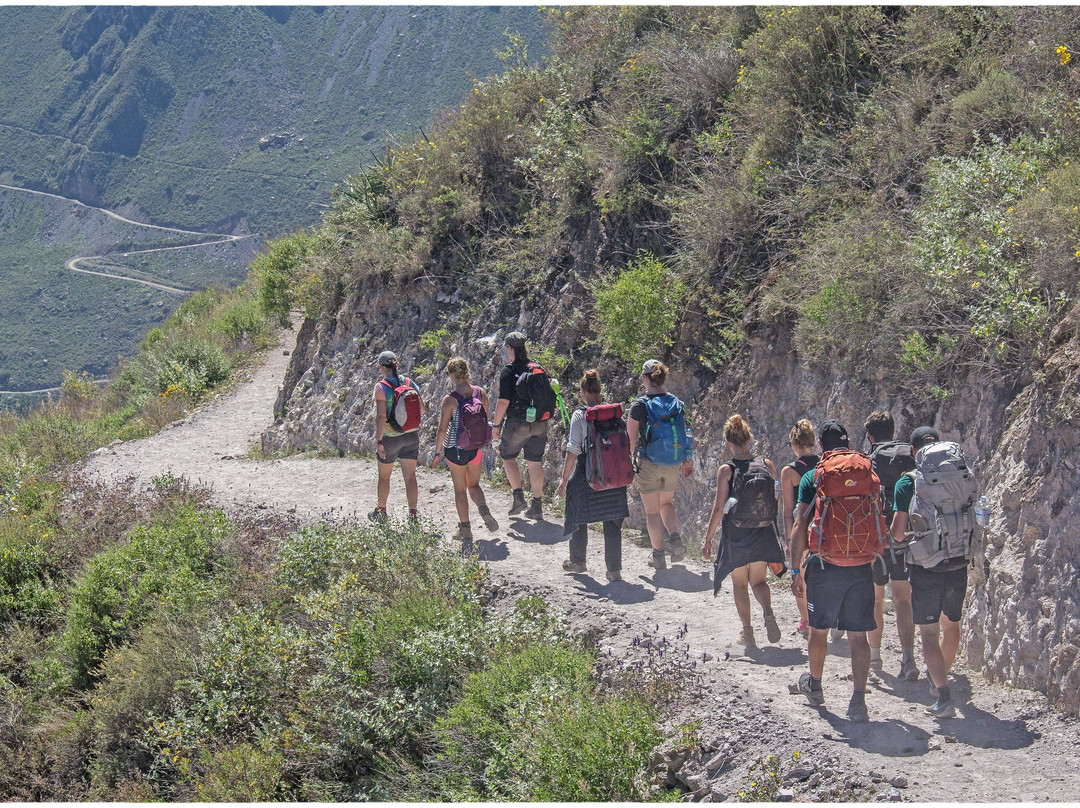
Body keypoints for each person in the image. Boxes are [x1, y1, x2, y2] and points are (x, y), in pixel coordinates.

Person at [790, 419, 885, 723]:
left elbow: (799, 526)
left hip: (825, 566)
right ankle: (858, 701)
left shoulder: (814, 477)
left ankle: (816, 686)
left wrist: (794, 570)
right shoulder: (867, 472)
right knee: (858, 636)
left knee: (819, 629)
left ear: (820, 445)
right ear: (848, 441)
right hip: (861, 566)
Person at [890, 426, 976, 719]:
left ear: (914, 452)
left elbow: (898, 534)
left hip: (926, 566)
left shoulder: (908, 482)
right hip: (960, 560)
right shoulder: (959, 476)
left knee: (928, 633)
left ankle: (943, 695)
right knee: (952, 625)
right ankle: (939, 678)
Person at [703, 415, 786, 646]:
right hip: (762, 531)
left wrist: (708, 539)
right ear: (749, 439)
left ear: (728, 443)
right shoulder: (767, 465)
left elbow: (719, 507)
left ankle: (748, 633)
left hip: (737, 534)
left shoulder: (726, 470)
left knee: (740, 583)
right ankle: (768, 612)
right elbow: (775, 500)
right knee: (758, 581)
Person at [556, 369, 630, 583]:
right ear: (599, 391)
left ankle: (578, 562)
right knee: (612, 521)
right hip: (614, 476)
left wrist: (563, 479)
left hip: (588, 475)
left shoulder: (581, 415)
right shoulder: (614, 414)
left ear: (582, 391)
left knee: (578, 515)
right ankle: (614, 571)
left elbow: (573, 450)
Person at [864, 410, 918, 680]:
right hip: (905, 535)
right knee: (903, 599)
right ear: (893, 429)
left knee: (875, 598)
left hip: (876, 538)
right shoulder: (908, 454)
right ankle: (908, 659)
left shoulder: (869, 459)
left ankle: (874, 660)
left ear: (870, 435)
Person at [626, 359, 693, 570]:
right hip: (673, 462)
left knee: (652, 511)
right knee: (667, 504)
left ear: (646, 378)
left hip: (649, 463)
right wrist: (686, 458)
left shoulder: (639, 405)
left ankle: (658, 556)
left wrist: (628, 463)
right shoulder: (676, 403)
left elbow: (631, 439)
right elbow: (685, 432)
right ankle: (675, 540)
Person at [431, 357, 499, 542]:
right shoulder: (480, 392)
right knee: (474, 485)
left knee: (460, 490)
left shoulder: (450, 399)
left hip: (456, 449)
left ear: (452, 375)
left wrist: (437, 452)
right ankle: (483, 509)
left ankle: (465, 529)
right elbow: (485, 419)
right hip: (476, 447)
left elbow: (442, 429)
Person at [491, 332, 552, 519]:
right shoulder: (537, 367)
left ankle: (518, 498)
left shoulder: (509, 371)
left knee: (507, 456)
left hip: (518, 423)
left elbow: (503, 402)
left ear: (509, 348)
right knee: (534, 463)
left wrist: (496, 425)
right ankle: (537, 505)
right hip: (541, 422)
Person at [371, 350, 427, 522]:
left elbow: (381, 416)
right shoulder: (410, 382)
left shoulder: (381, 387)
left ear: (382, 367)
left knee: (384, 476)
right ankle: (413, 515)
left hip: (391, 437)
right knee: (410, 477)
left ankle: (381, 512)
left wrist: (380, 440)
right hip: (411, 436)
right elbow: (422, 409)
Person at [780, 419, 817, 636]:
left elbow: (787, 510)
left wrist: (789, 540)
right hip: (823, 530)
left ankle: (806, 620)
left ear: (794, 445)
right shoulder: (825, 463)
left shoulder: (790, 472)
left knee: (800, 577)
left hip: (801, 530)